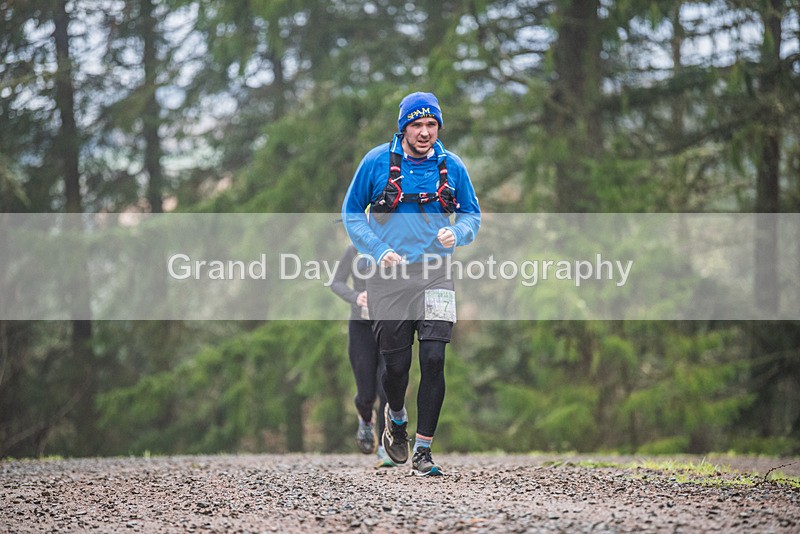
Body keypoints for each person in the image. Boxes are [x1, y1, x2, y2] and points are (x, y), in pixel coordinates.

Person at [341, 91, 480, 476]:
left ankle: (423, 450)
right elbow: (352, 214)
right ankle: (396, 420)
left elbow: (471, 213)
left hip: (436, 273)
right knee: (396, 366)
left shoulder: (452, 166)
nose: (424, 132)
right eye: (417, 125)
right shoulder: (375, 163)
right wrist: (377, 248)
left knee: (434, 358)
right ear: (403, 127)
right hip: (387, 277)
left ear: (439, 126)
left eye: (431, 124)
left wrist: (461, 233)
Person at [329, 244, 396, 468]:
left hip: (390, 325)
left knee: (387, 387)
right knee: (366, 394)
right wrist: (356, 297)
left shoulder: (396, 246)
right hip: (361, 327)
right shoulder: (353, 250)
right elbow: (336, 282)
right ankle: (366, 419)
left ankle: (384, 448)